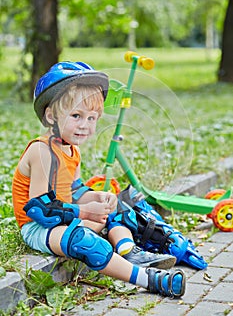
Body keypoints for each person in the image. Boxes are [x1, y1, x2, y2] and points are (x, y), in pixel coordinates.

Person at [12, 61, 186, 298]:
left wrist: (97, 198)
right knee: (84, 242)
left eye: (92, 118)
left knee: (119, 205)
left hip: (63, 218)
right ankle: (147, 278)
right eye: (76, 115)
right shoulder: (42, 151)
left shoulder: (72, 150)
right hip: (38, 228)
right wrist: (84, 212)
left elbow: (75, 190)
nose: (85, 125)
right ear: (51, 116)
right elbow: (39, 209)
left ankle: (128, 251)